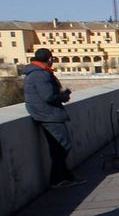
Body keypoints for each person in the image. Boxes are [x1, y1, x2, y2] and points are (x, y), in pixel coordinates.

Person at [22, 48, 83, 188]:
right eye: (52, 59)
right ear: (49, 59)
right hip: (48, 115)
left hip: (43, 113)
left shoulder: (34, 73)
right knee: (62, 146)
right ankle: (57, 179)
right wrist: (63, 96)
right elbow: (48, 96)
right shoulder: (40, 74)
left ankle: (66, 176)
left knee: (58, 147)